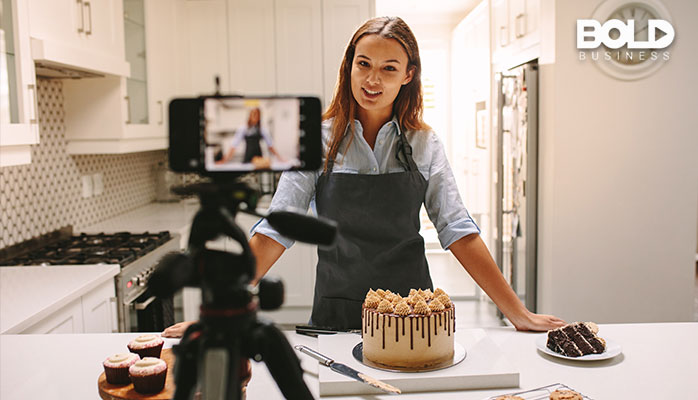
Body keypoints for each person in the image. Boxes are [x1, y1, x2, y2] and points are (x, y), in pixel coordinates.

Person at [163, 16, 564, 337]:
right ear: (349, 66)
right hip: (337, 308)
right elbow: (276, 228)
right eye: (364, 65)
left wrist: (517, 312)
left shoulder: (423, 144)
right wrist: (220, 310)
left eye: (389, 68)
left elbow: (458, 229)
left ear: (408, 75)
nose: (372, 81)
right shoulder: (316, 141)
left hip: (412, 313)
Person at [216, 107, 284, 165]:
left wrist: (280, 159)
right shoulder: (243, 129)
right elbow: (234, 145)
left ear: (259, 117)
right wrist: (224, 161)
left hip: (259, 160)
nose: (255, 116)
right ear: (250, 116)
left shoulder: (262, 129)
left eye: (257, 114)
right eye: (253, 114)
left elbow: (270, 145)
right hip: (247, 158)